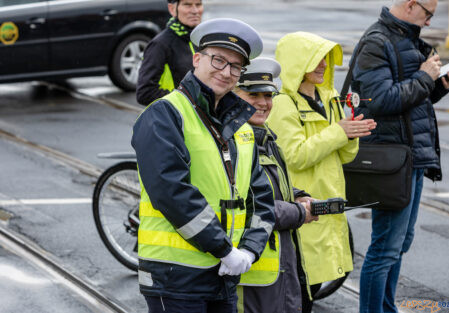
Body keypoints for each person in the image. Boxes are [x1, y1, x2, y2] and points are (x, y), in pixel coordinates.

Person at [132, 18, 276, 313]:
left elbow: (261, 199)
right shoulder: (166, 114)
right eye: (219, 60)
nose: (226, 72)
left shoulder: (240, 127)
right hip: (175, 276)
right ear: (196, 59)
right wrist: (224, 250)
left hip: (224, 275)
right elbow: (171, 193)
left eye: (235, 67)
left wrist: (249, 249)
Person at [349, 1, 449, 312]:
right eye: (428, 14)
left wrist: (440, 86)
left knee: (399, 245)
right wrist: (427, 78)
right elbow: (382, 101)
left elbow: (411, 100)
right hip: (391, 159)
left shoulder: (406, 39)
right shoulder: (378, 41)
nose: (428, 23)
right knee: (385, 248)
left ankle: (386, 307)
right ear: (412, 4)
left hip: (409, 155)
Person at [266, 32, 377, 313]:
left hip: (327, 204)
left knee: (311, 289)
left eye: (326, 60)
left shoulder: (329, 98)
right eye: (316, 59)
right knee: (299, 290)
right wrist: (339, 132)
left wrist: (351, 136)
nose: (324, 66)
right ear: (297, 62)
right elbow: (295, 156)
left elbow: (345, 156)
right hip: (304, 207)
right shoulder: (282, 103)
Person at [233, 57, 319, 313]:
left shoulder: (267, 138)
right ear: (232, 96)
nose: (263, 103)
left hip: (279, 269)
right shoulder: (232, 142)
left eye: (268, 95)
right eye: (253, 94)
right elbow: (247, 205)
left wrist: (301, 196)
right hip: (253, 277)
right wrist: (299, 212)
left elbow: (273, 187)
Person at [136, 0, 203, 106]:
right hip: (172, 118)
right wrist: (186, 100)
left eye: (198, 5)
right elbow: (144, 93)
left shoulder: (202, 39)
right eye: (187, 5)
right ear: (172, 9)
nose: (195, 11)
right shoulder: (160, 44)